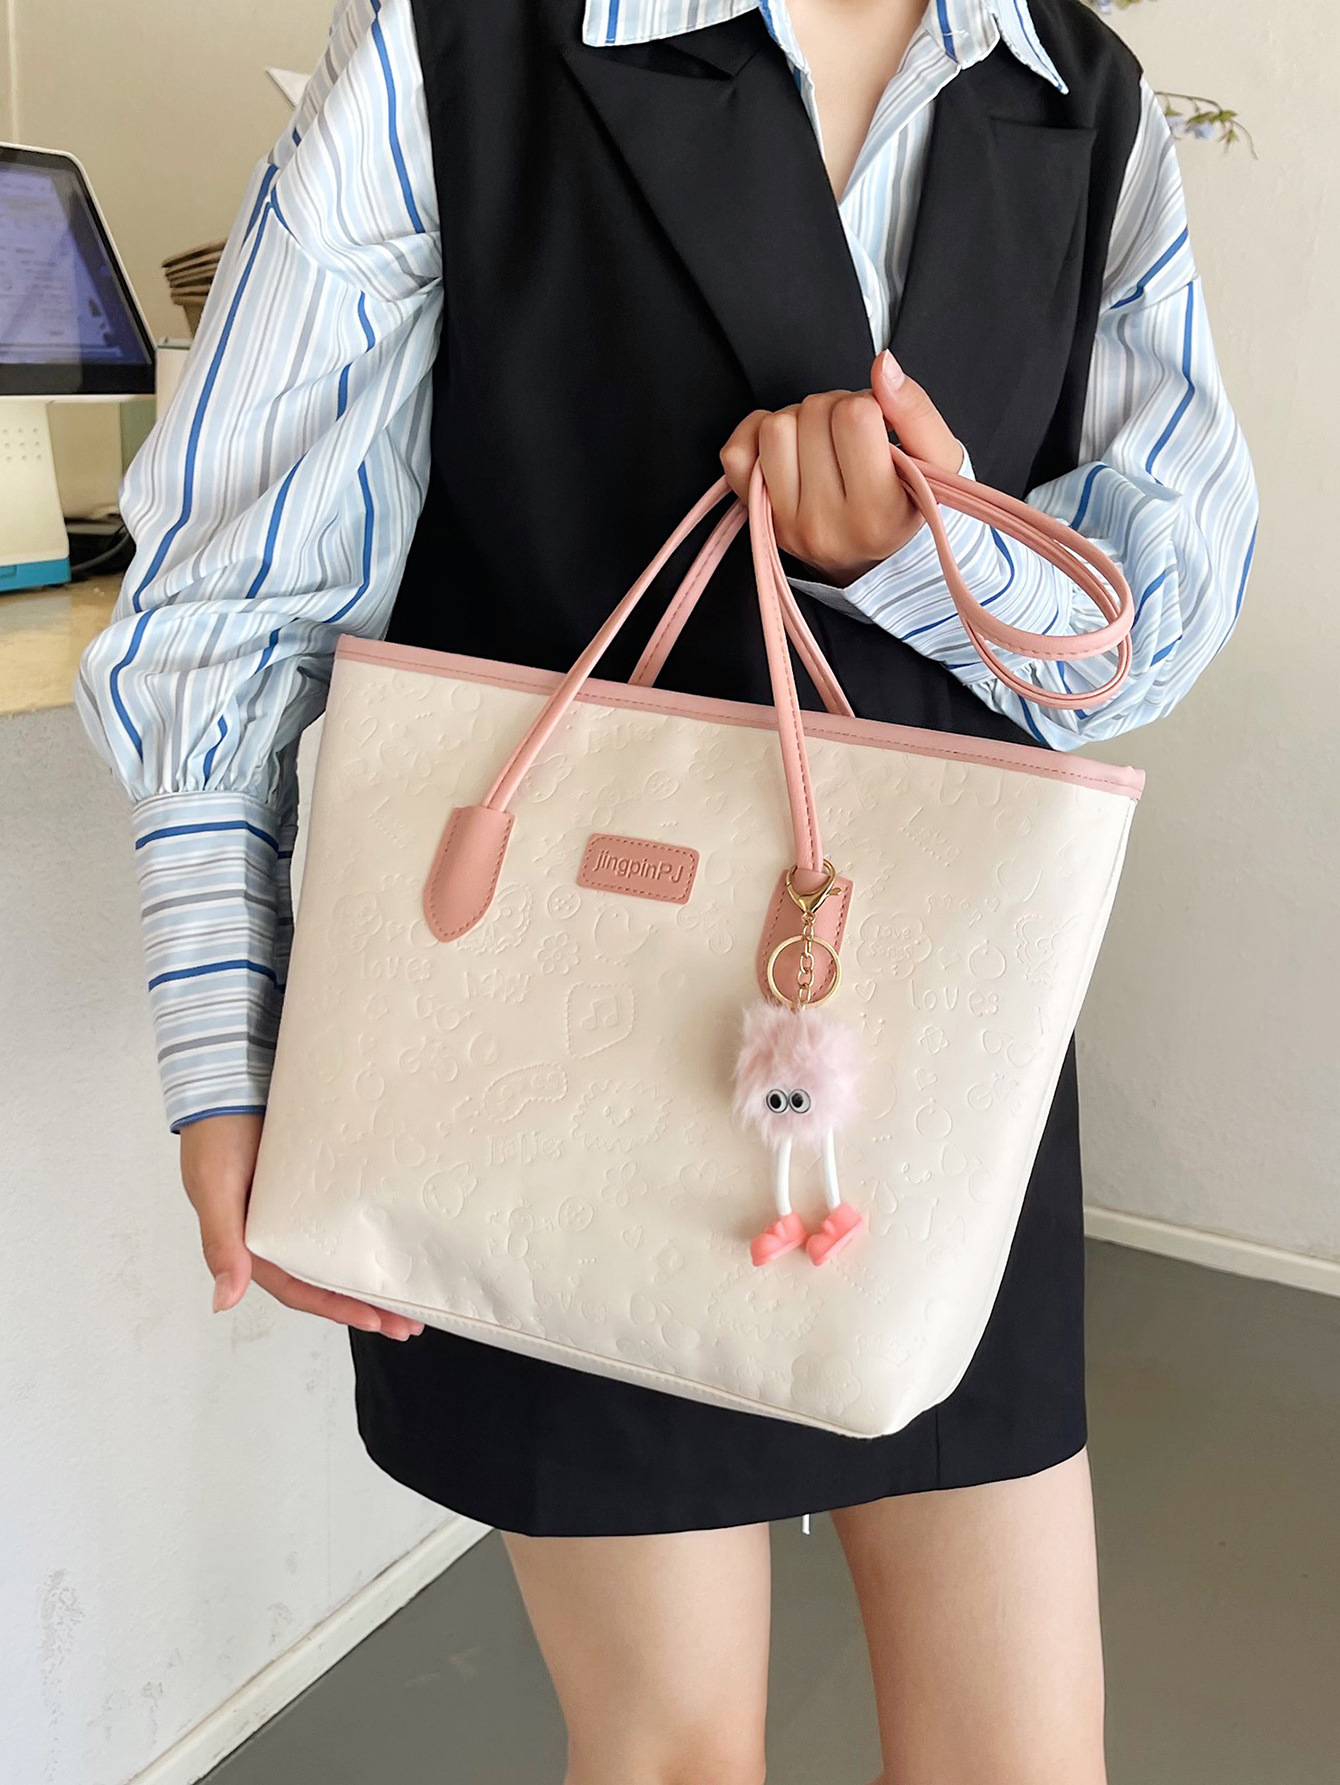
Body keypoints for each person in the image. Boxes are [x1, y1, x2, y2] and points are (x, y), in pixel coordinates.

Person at [78, 2, 1256, 1780]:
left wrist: (920, 555)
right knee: (670, 1749)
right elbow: (234, 594)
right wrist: (228, 1045)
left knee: (1022, 1752)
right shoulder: (455, 46)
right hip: (552, 1026)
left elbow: (1155, 606)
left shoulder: (1076, 91)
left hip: (942, 1041)